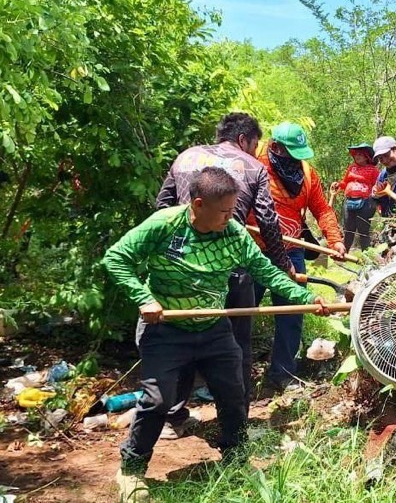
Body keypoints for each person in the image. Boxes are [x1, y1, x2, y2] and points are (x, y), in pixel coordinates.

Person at [104, 167, 330, 502]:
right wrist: (144, 298)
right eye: (224, 211)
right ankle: (132, 470)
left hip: (213, 328)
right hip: (165, 329)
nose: (231, 217)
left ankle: (237, 460)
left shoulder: (234, 235)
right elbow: (115, 259)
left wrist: (306, 298)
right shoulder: (164, 225)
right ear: (198, 204)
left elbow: (265, 271)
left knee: (233, 393)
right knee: (156, 400)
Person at [155, 112, 292, 436]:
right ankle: (236, 417)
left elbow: (163, 208)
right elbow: (268, 222)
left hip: (181, 268)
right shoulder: (251, 166)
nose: (256, 152)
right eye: (255, 145)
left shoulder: (186, 157)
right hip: (229, 269)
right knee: (236, 343)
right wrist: (283, 265)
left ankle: (173, 417)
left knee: (182, 335)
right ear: (245, 139)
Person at [247, 121, 345, 389]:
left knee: (293, 313)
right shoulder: (253, 164)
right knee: (241, 314)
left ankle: (282, 373)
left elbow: (322, 209)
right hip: (251, 251)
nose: (295, 161)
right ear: (275, 147)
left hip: (291, 250)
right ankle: (233, 376)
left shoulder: (307, 174)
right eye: (291, 153)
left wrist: (334, 240)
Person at [330, 143, 380, 250]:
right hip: (349, 201)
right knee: (348, 229)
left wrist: (379, 205)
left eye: (360, 154)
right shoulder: (352, 168)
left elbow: (378, 187)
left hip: (366, 202)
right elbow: (345, 183)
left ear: (366, 157)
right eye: (356, 154)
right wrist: (338, 184)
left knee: (363, 230)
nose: (357, 156)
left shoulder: (373, 170)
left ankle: (366, 255)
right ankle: (343, 253)